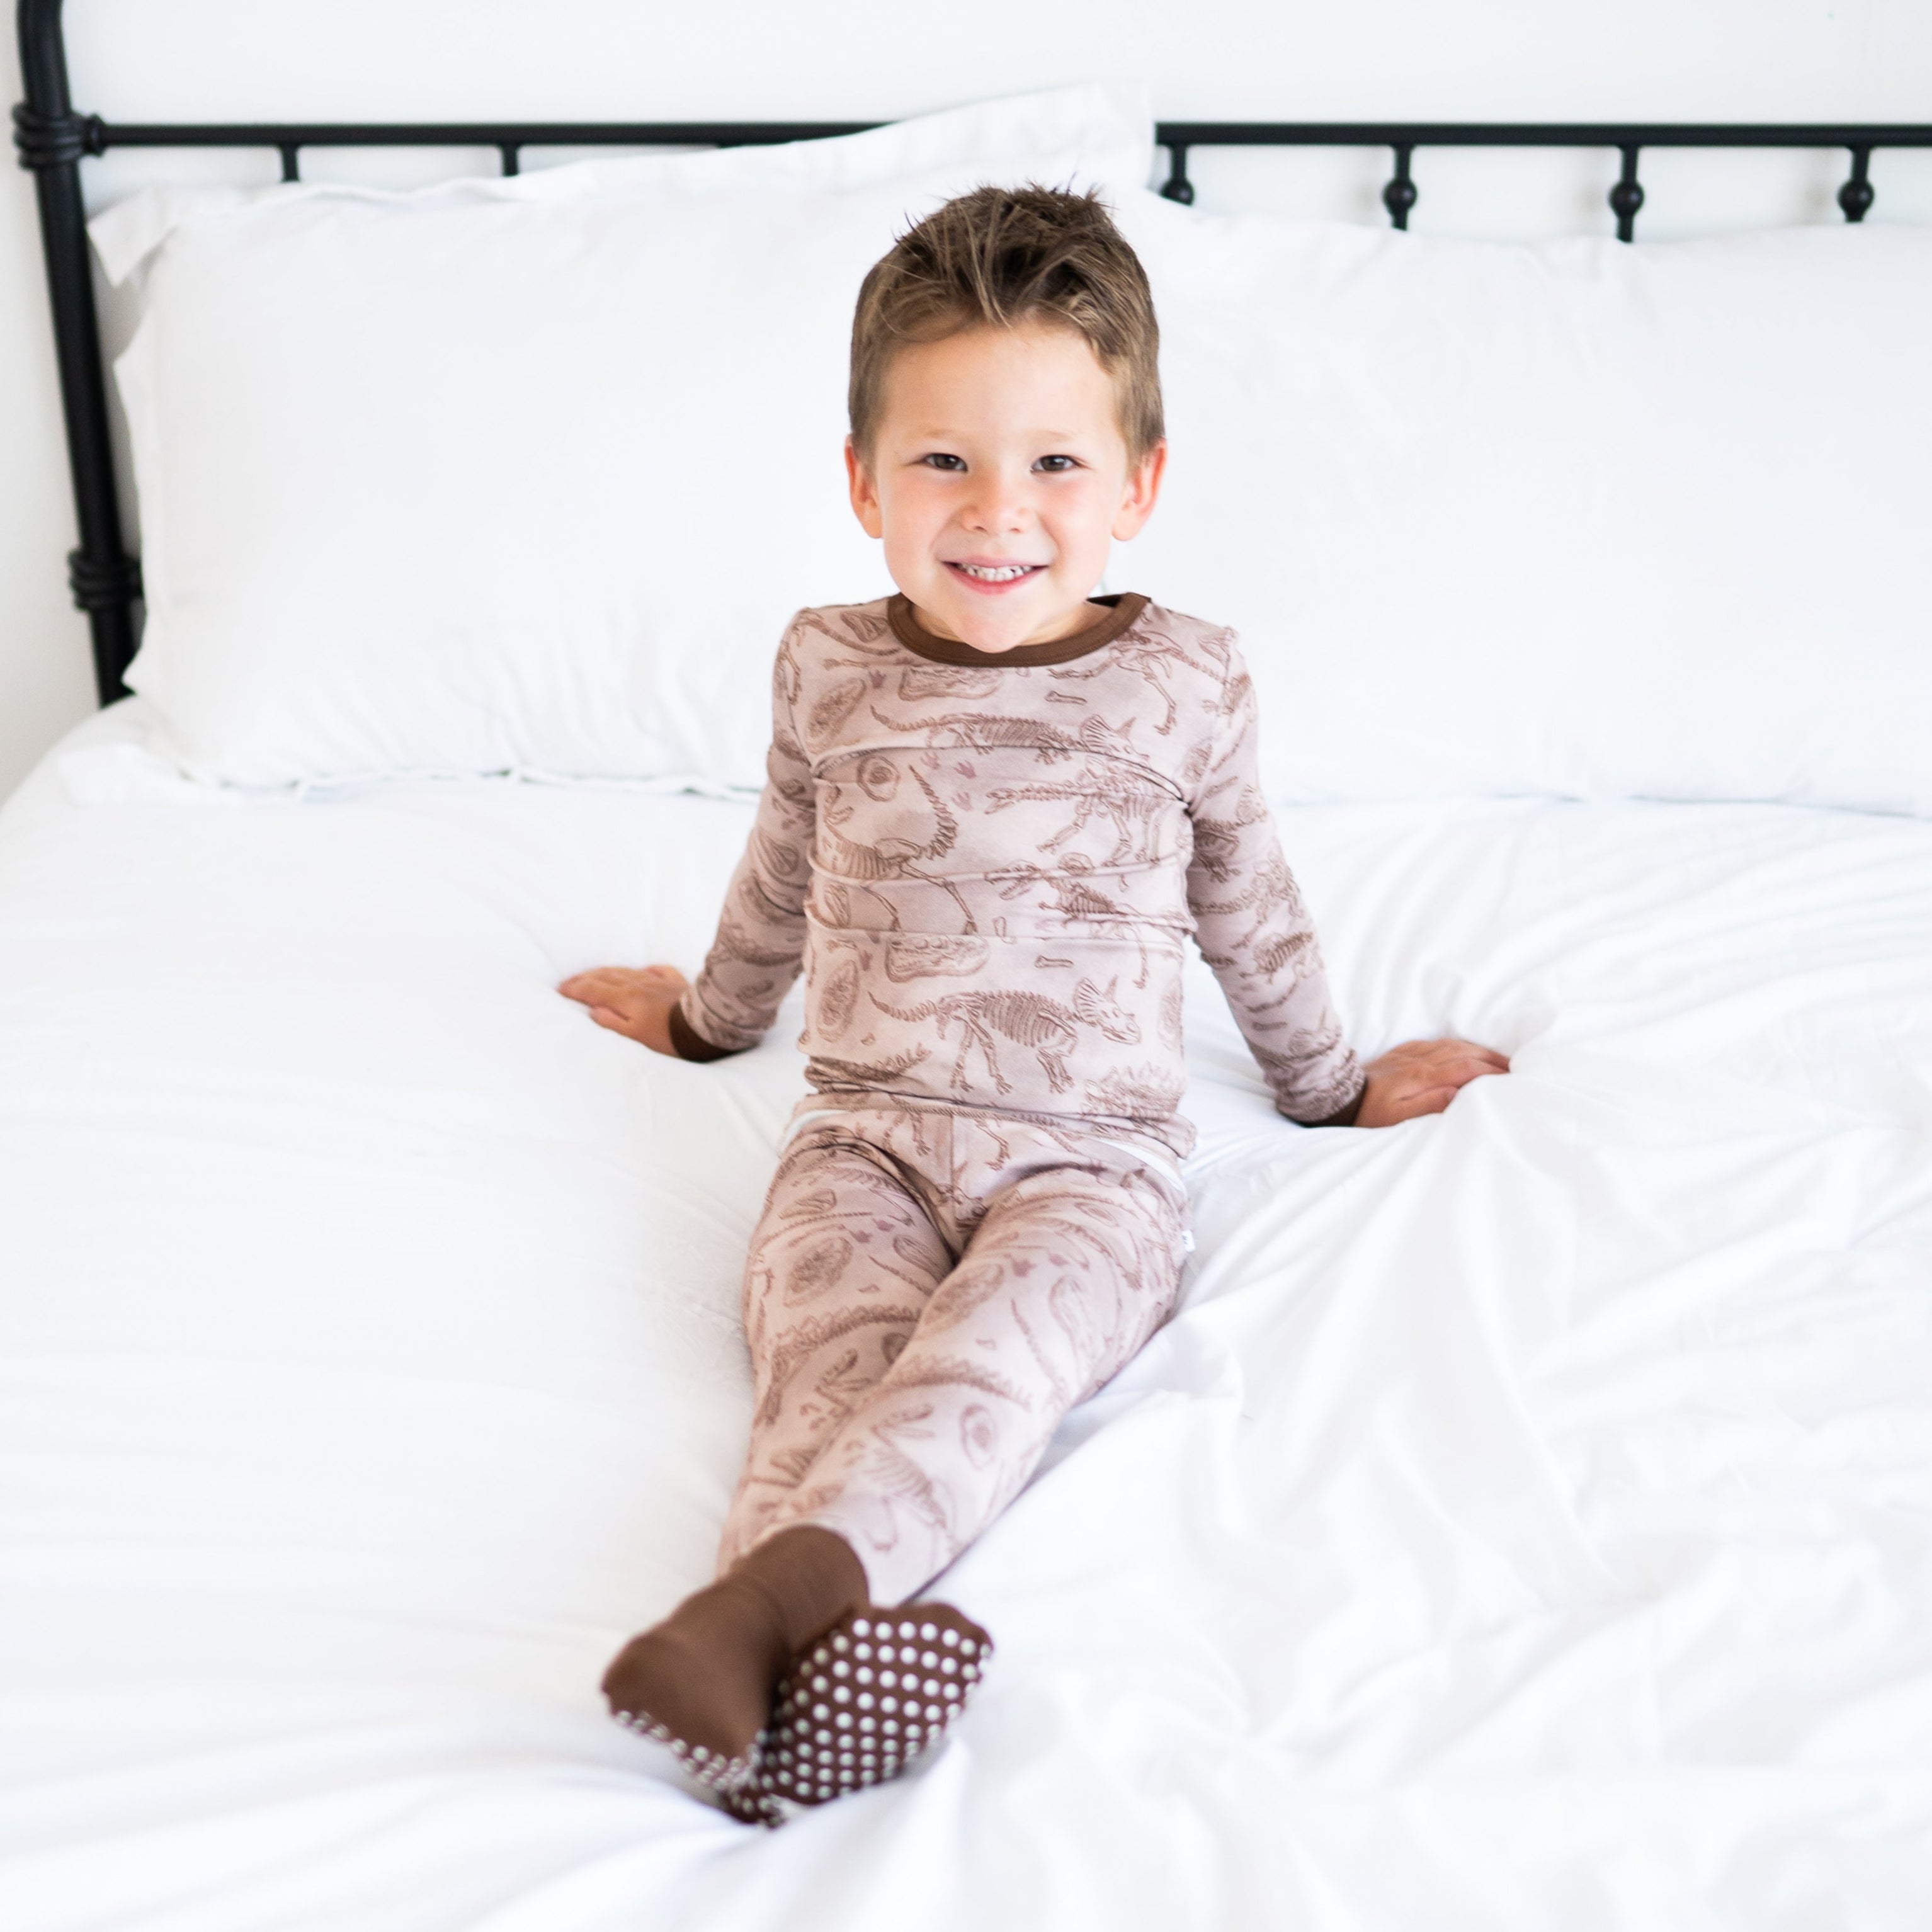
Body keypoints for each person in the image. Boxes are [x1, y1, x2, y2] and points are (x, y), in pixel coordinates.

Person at [560, 185, 1507, 1826]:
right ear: (862, 480)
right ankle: (764, 1687)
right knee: (818, 1367)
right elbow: (782, 866)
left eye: (1054, 461)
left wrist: (1333, 1085)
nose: (997, 508)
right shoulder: (825, 663)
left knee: (990, 1367)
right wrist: (711, 1021)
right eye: (943, 458)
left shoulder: (1184, 681)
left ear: (1136, 483)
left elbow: (1245, 901)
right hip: (859, 1140)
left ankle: (760, 1644)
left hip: (1089, 1167)